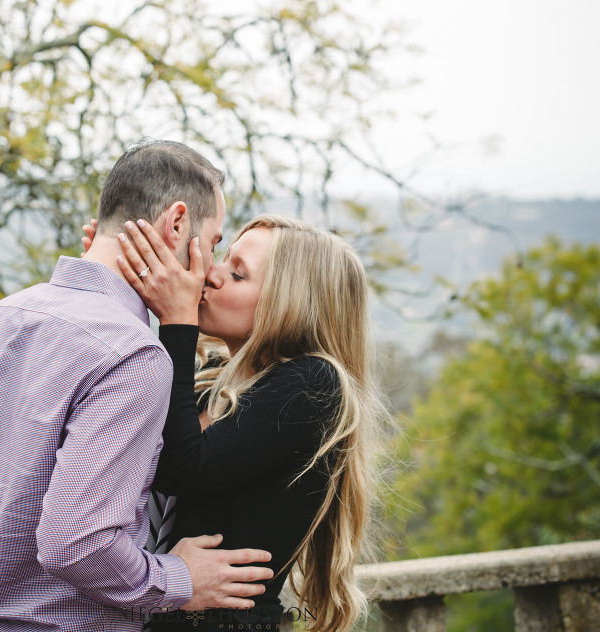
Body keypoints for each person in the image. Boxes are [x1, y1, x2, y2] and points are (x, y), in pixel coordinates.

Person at [0, 140, 275, 632]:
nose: (210, 265)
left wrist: (15, 564)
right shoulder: (133, 356)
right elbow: (73, 543)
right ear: (178, 223)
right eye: (213, 241)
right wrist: (177, 579)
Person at [107, 214, 395, 632]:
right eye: (223, 260)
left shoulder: (314, 384)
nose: (211, 274)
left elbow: (182, 468)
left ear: (290, 303)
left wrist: (178, 320)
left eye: (238, 274)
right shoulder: (210, 387)